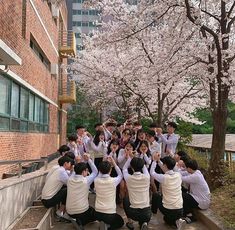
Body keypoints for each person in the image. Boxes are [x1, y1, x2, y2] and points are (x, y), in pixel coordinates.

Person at [150, 154, 186, 230]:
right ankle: (178, 220)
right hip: (180, 209)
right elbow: (167, 169)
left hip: (168, 209)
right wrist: (159, 161)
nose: (162, 165)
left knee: (156, 195)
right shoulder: (178, 174)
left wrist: (154, 161)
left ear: (165, 165)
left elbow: (152, 172)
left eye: (163, 164)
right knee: (166, 220)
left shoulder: (163, 177)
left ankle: (153, 217)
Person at [66, 154, 98, 229]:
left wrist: (78, 162)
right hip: (82, 211)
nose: (87, 172)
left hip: (69, 212)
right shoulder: (86, 180)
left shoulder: (70, 179)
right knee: (94, 214)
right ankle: (80, 222)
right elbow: (95, 171)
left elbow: (75, 171)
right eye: (86, 170)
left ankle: (78, 221)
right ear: (84, 171)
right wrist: (89, 159)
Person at [94, 157, 124, 230]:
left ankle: (103, 223)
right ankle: (107, 226)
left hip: (97, 213)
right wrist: (114, 163)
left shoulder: (96, 180)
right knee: (120, 222)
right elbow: (120, 175)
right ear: (110, 170)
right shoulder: (113, 181)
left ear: (100, 171)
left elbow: (99, 174)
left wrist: (103, 162)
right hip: (109, 214)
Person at [123, 157, 151, 230]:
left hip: (133, 213)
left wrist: (130, 157)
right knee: (144, 213)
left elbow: (124, 168)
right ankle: (144, 223)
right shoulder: (147, 177)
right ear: (142, 166)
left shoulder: (128, 178)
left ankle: (130, 222)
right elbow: (144, 168)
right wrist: (140, 160)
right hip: (147, 213)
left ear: (131, 167)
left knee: (126, 199)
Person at [41, 156, 73, 220]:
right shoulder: (62, 172)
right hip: (48, 201)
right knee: (69, 190)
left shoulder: (59, 170)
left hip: (45, 199)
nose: (71, 165)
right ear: (65, 163)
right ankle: (64, 213)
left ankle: (61, 211)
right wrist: (73, 171)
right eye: (70, 163)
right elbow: (71, 184)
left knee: (65, 189)